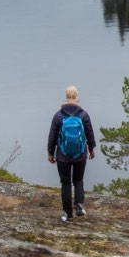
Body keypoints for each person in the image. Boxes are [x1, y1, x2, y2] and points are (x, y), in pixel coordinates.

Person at [47, 85, 96, 222]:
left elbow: (52, 136)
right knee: (78, 180)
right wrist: (91, 149)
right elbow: (90, 134)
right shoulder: (83, 115)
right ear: (77, 96)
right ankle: (79, 206)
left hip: (63, 156)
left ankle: (67, 214)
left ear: (66, 96)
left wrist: (50, 152)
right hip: (80, 155)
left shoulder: (58, 115)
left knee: (66, 183)